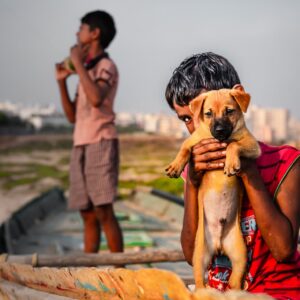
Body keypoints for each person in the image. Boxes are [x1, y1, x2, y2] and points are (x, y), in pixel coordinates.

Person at [165, 52, 300, 299]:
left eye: (223, 112)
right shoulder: (195, 168)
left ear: (238, 99)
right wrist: (194, 181)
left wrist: (248, 170)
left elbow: (283, 250)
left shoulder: (285, 162)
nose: (198, 127)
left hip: (278, 292)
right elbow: (189, 252)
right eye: (187, 118)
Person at [55, 10, 123, 254]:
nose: (77, 33)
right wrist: (62, 80)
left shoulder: (106, 66)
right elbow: (73, 116)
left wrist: (77, 62)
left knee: (103, 209)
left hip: (101, 142)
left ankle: (119, 269)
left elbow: (95, 99)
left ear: (94, 34)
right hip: (80, 143)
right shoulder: (86, 72)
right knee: (87, 213)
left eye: (81, 28)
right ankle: (90, 267)